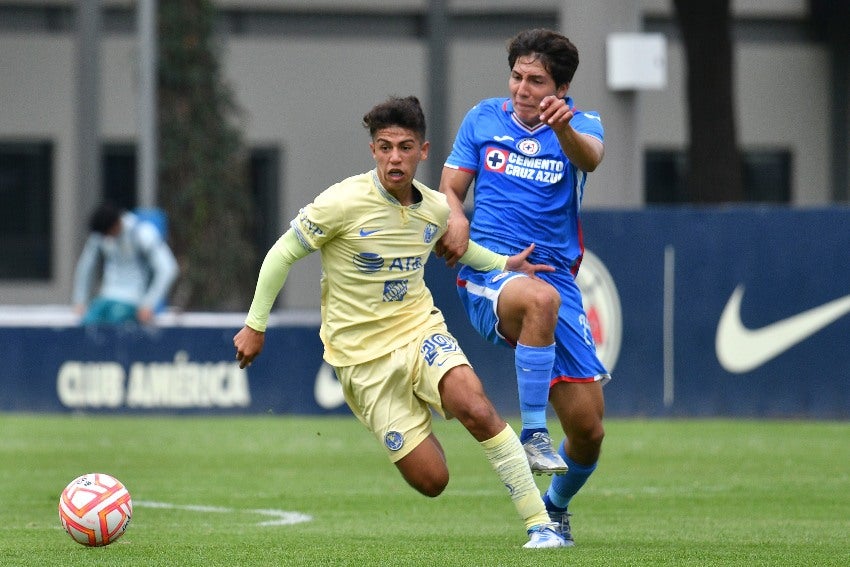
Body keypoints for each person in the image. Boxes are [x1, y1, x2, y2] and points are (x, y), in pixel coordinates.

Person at [233, 95, 568, 548]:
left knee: (475, 405)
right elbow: (281, 254)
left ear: (423, 151)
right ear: (373, 150)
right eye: (385, 146)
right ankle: (414, 423)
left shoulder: (433, 210)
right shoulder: (342, 202)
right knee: (433, 480)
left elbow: (463, 252)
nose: (395, 157)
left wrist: (508, 265)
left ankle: (540, 524)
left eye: (405, 147)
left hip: (418, 331)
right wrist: (256, 325)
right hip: (362, 361)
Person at [436, 29, 610, 546]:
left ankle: (555, 507)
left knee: (588, 432)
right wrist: (455, 218)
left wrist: (562, 130)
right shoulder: (483, 118)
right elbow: (449, 186)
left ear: (561, 86)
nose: (522, 88)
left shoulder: (581, 125)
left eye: (536, 80)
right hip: (490, 273)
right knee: (538, 299)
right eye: (517, 76)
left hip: (555, 277)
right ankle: (533, 433)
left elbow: (591, 158)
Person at [72, 201, 178, 325]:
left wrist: (149, 303)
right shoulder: (100, 237)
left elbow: (168, 268)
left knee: (115, 322)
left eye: (108, 234)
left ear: (116, 224)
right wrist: (80, 299)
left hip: (133, 300)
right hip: (107, 296)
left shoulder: (142, 233)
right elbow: (86, 265)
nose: (107, 239)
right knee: (86, 324)